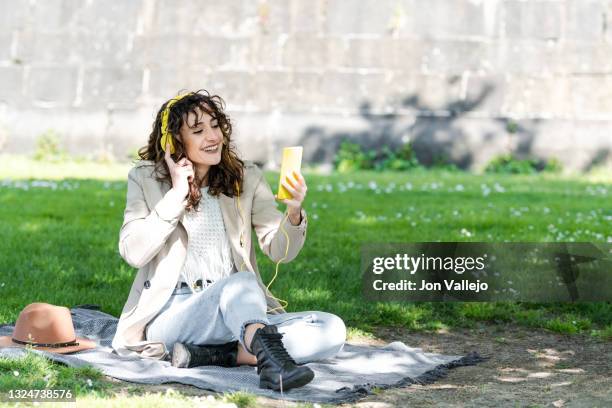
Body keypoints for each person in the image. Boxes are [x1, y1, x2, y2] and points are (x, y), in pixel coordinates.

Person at [111, 89, 346, 391]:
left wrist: (294, 212)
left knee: (331, 329)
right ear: (174, 142)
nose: (213, 136)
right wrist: (176, 195)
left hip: (238, 311)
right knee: (242, 283)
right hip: (175, 314)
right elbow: (133, 252)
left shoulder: (245, 178)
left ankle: (220, 355)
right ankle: (272, 364)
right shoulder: (145, 179)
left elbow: (279, 251)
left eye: (215, 125)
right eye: (198, 131)